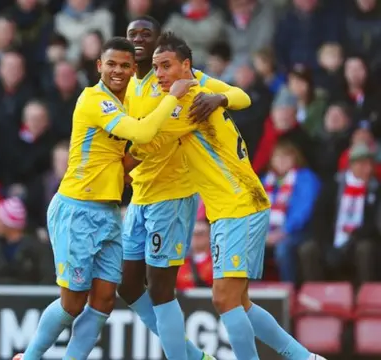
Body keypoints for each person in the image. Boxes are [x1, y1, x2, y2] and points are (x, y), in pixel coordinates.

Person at [130, 31, 325, 360]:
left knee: (225, 299)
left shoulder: (188, 105)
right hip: (227, 208)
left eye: (166, 66)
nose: (160, 74)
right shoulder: (204, 88)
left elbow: (142, 141)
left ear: (186, 65)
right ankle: (304, 357)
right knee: (240, 303)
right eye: (155, 67)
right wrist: (221, 97)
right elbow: (240, 95)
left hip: (240, 204)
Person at [13, 36, 195, 360]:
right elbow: (141, 133)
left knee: (104, 301)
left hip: (109, 212)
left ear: (133, 69)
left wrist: (152, 149)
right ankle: (29, 357)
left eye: (125, 65)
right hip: (77, 209)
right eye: (111, 63)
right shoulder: (94, 99)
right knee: (72, 302)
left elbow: (122, 161)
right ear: (99, 66)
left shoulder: (124, 106)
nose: (118, 70)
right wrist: (173, 99)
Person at [120, 15, 252, 360]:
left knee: (162, 290)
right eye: (132, 34)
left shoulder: (177, 85)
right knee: (128, 285)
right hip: (140, 195)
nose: (138, 39)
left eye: (145, 34)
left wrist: (219, 99)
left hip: (172, 195)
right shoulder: (131, 85)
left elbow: (238, 95)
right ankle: (196, 357)